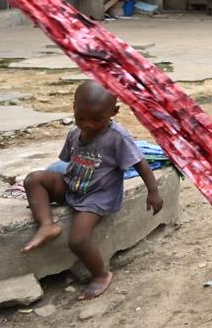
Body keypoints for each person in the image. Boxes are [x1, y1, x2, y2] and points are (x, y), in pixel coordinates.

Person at [21, 80, 164, 299]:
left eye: (97, 119)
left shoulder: (117, 137)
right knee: (34, 180)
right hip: (73, 184)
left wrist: (152, 191)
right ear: (74, 109)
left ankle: (100, 274)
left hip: (98, 196)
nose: (88, 124)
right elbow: (67, 163)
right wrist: (59, 183)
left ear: (113, 112)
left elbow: (140, 163)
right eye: (81, 118)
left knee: (78, 239)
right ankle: (47, 225)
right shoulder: (74, 133)